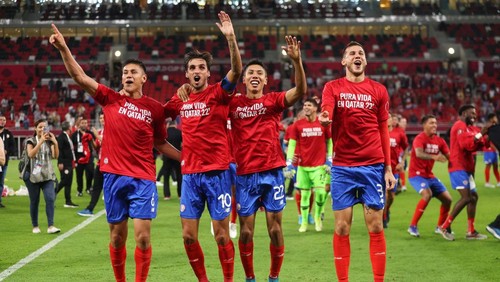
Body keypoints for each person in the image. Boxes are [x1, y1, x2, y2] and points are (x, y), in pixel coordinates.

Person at [51, 23, 181, 282]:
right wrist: (64, 48)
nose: (128, 75)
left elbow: (160, 142)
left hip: (143, 178)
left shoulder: (154, 109)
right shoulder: (111, 99)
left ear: (144, 78)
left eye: (133, 72)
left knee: (143, 237)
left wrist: (186, 158)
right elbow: (80, 77)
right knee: (116, 237)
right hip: (113, 176)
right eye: (124, 72)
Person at [163, 11, 242, 282]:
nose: (197, 71)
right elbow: (155, 125)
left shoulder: (219, 93)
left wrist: (231, 39)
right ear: (186, 74)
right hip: (191, 177)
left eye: (201, 68)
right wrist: (179, 154)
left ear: (208, 72)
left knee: (221, 236)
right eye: (192, 68)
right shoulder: (179, 99)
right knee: (187, 236)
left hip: (218, 174)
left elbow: (237, 71)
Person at [228, 36, 305, 282]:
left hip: (272, 172)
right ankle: (250, 278)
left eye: (259, 73)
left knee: (275, 229)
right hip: (245, 175)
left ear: (265, 80)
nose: (254, 75)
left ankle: (273, 277)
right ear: (244, 78)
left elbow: (300, 91)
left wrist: (297, 62)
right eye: (250, 72)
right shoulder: (234, 103)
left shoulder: (273, 101)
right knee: (247, 232)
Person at [319, 41, 395, 282]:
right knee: (342, 228)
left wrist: (388, 168)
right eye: (352, 53)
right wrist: (325, 118)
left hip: (372, 166)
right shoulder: (333, 87)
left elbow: (384, 130)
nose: (357, 55)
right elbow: (328, 109)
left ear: (365, 60)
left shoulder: (379, 90)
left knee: (375, 226)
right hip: (342, 168)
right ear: (344, 61)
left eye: (361, 52)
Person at [438, 104, 488, 240]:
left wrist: (483, 135)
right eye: (472, 113)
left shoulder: (471, 128)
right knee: (466, 197)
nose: (475, 116)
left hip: (467, 168)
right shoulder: (459, 126)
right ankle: (444, 226)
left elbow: (480, 142)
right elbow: (467, 144)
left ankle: (470, 231)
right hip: (458, 166)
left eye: (475, 113)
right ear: (464, 113)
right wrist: (481, 134)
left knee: (474, 197)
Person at [286, 97, 332, 232]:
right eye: (304, 105)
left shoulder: (323, 124)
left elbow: (330, 141)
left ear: (315, 108)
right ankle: (304, 222)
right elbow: (292, 144)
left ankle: (318, 218)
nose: (305, 107)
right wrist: (289, 163)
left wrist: (330, 160)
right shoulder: (297, 125)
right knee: (304, 195)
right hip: (302, 166)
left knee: (321, 193)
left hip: (319, 166)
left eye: (309, 105)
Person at [406, 114, 452, 237]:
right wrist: (434, 156)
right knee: (427, 194)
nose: (434, 125)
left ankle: (440, 226)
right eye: (431, 123)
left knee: (448, 200)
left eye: (435, 123)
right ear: (424, 125)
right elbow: (419, 153)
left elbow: (450, 157)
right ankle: (412, 226)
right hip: (416, 175)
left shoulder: (440, 141)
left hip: (429, 176)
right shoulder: (419, 138)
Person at [23, 119, 60, 234]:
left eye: (44, 127)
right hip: (33, 176)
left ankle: (51, 226)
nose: (42, 129)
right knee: (34, 201)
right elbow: (31, 155)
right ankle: (35, 225)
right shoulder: (31, 141)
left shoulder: (49, 141)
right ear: (35, 128)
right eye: (40, 127)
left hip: (47, 175)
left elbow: (55, 156)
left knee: (50, 198)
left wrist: (55, 143)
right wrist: (40, 142)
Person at [384, 113, 408, 228]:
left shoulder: (399, 133)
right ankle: (382, 218)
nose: (392, 121)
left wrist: (402, 162)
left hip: (394, 168)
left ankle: (387, 210)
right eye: (390, 119)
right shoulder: (380, 130)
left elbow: (406, 147)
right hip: (381, 168)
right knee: (383, 194)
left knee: (391, 196)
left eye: (393, 119)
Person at [78, 113, 105, 216]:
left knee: (112, 187)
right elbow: (97, 147)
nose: (102, 120)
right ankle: (90, 208)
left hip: (111, 165)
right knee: (96, 187)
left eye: (103, 118)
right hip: (101, 163)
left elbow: (107, 141)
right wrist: (90, 140)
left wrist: (96, 136)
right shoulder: (100, 131)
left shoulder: (112, 130)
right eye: (100, 118)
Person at [157, 120, 182, 200]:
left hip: (167, 157)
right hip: (177, 156)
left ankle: (167, 195)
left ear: (168, 124)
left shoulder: (165, 132)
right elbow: (183, 144)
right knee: (179, 176)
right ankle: (180, 194)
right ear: (175, 124)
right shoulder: (179, 132)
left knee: (166, 176)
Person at [56, 121, 78, 208]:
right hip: (64, 162)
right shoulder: (61, 137)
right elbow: (59, 150)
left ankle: (68, 201)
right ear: (68, 127)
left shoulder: (67, 136)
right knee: (65, 180)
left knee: (68, 182)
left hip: (69, 162)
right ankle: (52, 193)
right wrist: (60, 162)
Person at [71, 117, 95, 197]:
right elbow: (71, 146)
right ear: (79, 124)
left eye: (85, 123)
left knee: (90, 173)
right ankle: (79, 190)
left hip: (89, 157)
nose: (84, 124)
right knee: (79, 175)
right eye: (82, 123)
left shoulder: (90, 133)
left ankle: (88, 188)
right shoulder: (75, 134)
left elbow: (94, 144)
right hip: (79, 157)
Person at [0, 115, 14, 208]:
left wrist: (6, 151)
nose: (2, 121)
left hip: (3, 162)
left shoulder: (8, 133)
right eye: (0, 119)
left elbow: (13, 148)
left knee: (1, 182)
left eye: (4, 120)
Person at [483, 113, 499, 188]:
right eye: (495, 118)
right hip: (488, 150)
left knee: (495, 166)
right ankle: (487, 182)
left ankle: (499, 181)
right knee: (488, 166)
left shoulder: (495, 128)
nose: (497, 119)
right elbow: (488, 139)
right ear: (491, 119)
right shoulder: (487, 128)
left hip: (494, 150)